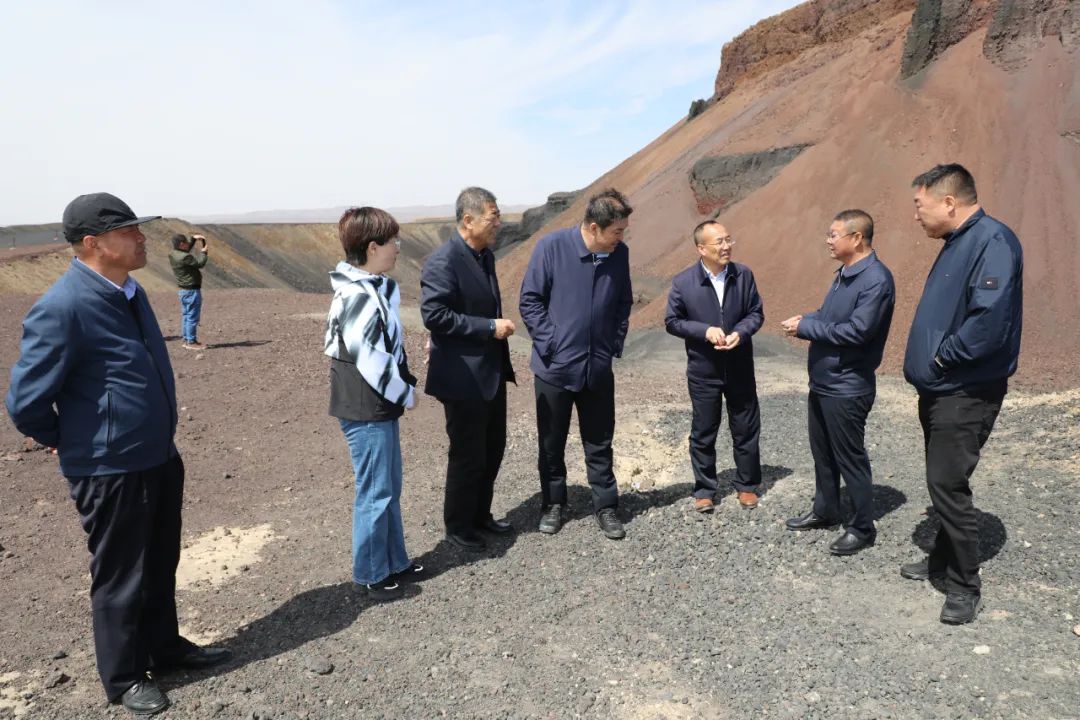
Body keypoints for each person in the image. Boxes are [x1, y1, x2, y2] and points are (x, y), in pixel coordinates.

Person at [5, 193, 229, 716]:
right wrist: (70, 437)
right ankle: (124, 677)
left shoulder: (130, 291)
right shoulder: (63, 307)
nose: (141, 237)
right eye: (129, 231)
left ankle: (164, 647)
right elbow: (25, 402)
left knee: (160, 561)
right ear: (93, 243)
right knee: (121, 575)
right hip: (109, 468)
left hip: (156, 455)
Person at [901, 164, 1022, 625]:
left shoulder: (993, 241)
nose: (916, 215)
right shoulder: (958, 241)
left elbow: (988, 323)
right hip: (942, 389)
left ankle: (965, 586)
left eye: (920, 205)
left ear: (949, 202)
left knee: (947, 484)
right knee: (942, 481)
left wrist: (941, 359)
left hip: (965, 390)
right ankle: (940, 560)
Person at [519, 188, 634, 539]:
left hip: (597, 368)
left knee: (599, 441)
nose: (621, 238)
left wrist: (612, 344)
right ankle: (553, 503)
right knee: (551, 443)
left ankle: (606, 506)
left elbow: (623, 301)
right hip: (554, 369)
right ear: (595, 227)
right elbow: (530, 301)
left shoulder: (619, 254)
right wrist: (552, 344)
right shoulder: (551, 247)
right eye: (617, 231)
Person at [781, 209, 895, 556]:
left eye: (833, 234)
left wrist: (807, 328)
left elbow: (858, 332)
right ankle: (826, 510)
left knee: (850, 458)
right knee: (823, 453)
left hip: (848, 385)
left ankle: (862, 527)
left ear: (856, 238)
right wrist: (807, 318)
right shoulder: (845, 274)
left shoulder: (875, 280)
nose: (828, 240)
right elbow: (831, 316)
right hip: (824, 382)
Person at [325, 206, 421, 601]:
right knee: (376, 491)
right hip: (366, 405)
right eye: (393, 241)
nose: (398, 248)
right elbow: (371, 358)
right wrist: (405, 392)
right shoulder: (359, 296)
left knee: (388, 487)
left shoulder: (371, 289)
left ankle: (394, 561)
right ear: (372, 247)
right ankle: (370, 573)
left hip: (374, 405)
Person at [420, 187, 517, 552]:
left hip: (490, 374)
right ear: (468, 220)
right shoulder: (443, 261)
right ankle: (459, 526)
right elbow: (435, 315)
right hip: (463, 377)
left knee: (492, 448)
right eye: (493, 216)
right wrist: (489, 327)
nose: (499, 223)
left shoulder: (483, 255)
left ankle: (480, 515)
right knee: (467, 454)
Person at [664, 220, 764, 513]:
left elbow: (756, 313)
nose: (726, 246)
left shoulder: (743, 275)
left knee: (745, 427)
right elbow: (672, 321)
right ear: (701, 248)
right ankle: (705, 490)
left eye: (728, 240)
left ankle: (747, 486)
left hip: (740, 367)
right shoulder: (683, 282)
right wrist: (704, 331)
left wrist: (740, 333)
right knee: (704, 430)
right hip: (703, 370)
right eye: (719, 242)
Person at [168, 233, 209, 350]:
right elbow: (200, 263)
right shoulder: (185, 257)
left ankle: (186, 340)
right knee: (192, 317)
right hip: (192, 291)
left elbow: (185, 250)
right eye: (186, 242)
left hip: (184, 291)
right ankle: (191, 342)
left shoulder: (173, 254)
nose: (187, 244)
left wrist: (193, 240)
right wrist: (204, 252)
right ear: (181, 244)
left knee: (186, 316)